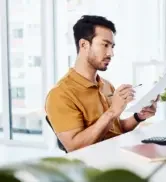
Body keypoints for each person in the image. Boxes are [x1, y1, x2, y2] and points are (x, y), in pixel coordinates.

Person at [45, 15, 159, 152]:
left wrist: (138, 116)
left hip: (120, 154)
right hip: (97, 168)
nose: (111, 53)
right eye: (105, 45)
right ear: (84, 45)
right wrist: (112, 112)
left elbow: (116, 129)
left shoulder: (106, 85)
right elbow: (74, 147)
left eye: (112, 46)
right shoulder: (60, 95)